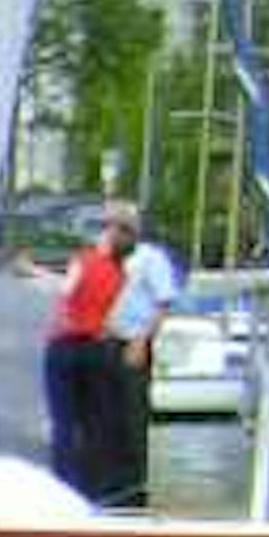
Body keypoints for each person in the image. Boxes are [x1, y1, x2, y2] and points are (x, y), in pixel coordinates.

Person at [100, 200, 181, 510]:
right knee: (104, 417)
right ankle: (105, 486)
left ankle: (133, 491)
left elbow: (163, 302)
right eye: (107, 226)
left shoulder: (150, 259)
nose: (112, 233)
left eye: (119, 227)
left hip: (133, 342)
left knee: (132, 418)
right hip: (103, 342)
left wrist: (142, 340)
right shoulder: (103, 259)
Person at [41, 219, 128, 497]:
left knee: (63, 421)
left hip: (65, 343)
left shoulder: (84, 260)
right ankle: (90, 487)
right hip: (95, 347)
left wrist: (32, 271)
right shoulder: (118, 275)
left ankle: (63, 483)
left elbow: (66, 290)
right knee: (91, 420)